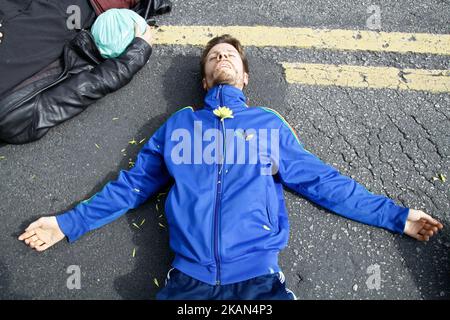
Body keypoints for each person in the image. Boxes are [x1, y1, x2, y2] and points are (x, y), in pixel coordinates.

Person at [18, 34, 444, 300]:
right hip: (188, 282)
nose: (222, 57)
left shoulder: (267, 125)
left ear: (244, 79)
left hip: (259, 280)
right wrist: (67, 223)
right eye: (214, 56)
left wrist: (396, 216)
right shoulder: (179, 126)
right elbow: (132, 187)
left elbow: (320, 180)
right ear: (205, 80)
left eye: (230, 56)